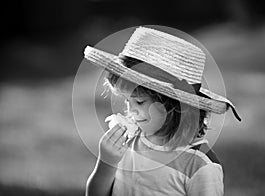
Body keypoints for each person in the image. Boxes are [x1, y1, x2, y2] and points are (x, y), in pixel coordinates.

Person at [84, 26, 241, 196]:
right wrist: (107, 162)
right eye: (127, 100)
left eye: (139, 101)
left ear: (175, 106)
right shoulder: (128, 142)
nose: (131, 110)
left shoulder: (200, 166)